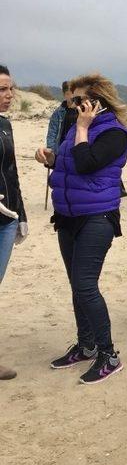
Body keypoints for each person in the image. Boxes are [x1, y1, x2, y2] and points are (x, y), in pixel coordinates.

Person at [35, 73, 127, 385]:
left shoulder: (114, 133)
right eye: (71, 98)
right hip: (68, 216)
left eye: (78, 99)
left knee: (85, 285)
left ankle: (109, 354)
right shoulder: (77, 126)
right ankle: (86, 345)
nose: (71, 103)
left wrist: (81, 128)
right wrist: (51, 159)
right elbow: (71, 163)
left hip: (97, 217)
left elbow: (87, 163)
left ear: (96, 101)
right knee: (76, 285)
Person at [0, 65, 28, 380]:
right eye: (1, 90)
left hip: (6, 220)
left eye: (10, 88)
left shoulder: (5, 126)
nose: (9, 95)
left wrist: (21, 217)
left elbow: (12, 173)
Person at [46, 80, 78, 153]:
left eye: (73, 93)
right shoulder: (58, 112)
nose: (71, 96)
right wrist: (50, 149)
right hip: (61, 147)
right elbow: (52, 132)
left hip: (75, 147)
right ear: (64, 95)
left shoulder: (81, 110)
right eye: (68, 94)